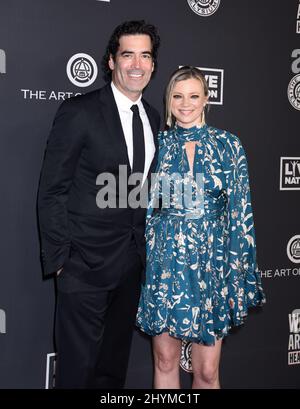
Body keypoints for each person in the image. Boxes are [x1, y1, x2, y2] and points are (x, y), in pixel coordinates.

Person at [38, 20, 160, 389]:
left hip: (130, 268)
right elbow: (51, 189)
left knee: (112, 370)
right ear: (111, 61)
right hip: (83, 267)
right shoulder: (80, 112)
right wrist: (61, 261)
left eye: (145, 56)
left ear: (153, 65)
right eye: (127, 55)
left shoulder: (154, 118)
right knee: (77, 373)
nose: (136, 64)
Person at [136, 66, 266, 389]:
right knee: (165, 361)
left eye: (194, 96)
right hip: (165, 267)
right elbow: (147, 209)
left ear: (206, 99)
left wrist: (237, 275)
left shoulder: (228, 146)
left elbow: (241, 215)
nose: (185, 104)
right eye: (178, 96)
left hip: (211, 267)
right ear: (168, 100)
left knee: (207, 372)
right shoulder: (158, 144)